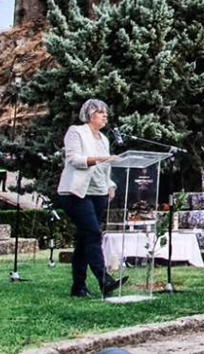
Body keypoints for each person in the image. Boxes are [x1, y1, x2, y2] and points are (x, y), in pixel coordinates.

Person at [57, 99, 126, 298]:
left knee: (84, 240)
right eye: (100, 112)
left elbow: (106, 168)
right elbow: (74, 159)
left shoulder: (103, 139)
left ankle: (78, 287)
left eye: (106, 112)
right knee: (93, 234)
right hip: (76, 193)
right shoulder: (76, 132)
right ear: (89, 115)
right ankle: (104, 279)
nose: (105, 115)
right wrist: (101, 159)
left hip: (99, 194)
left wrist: (110, 186)